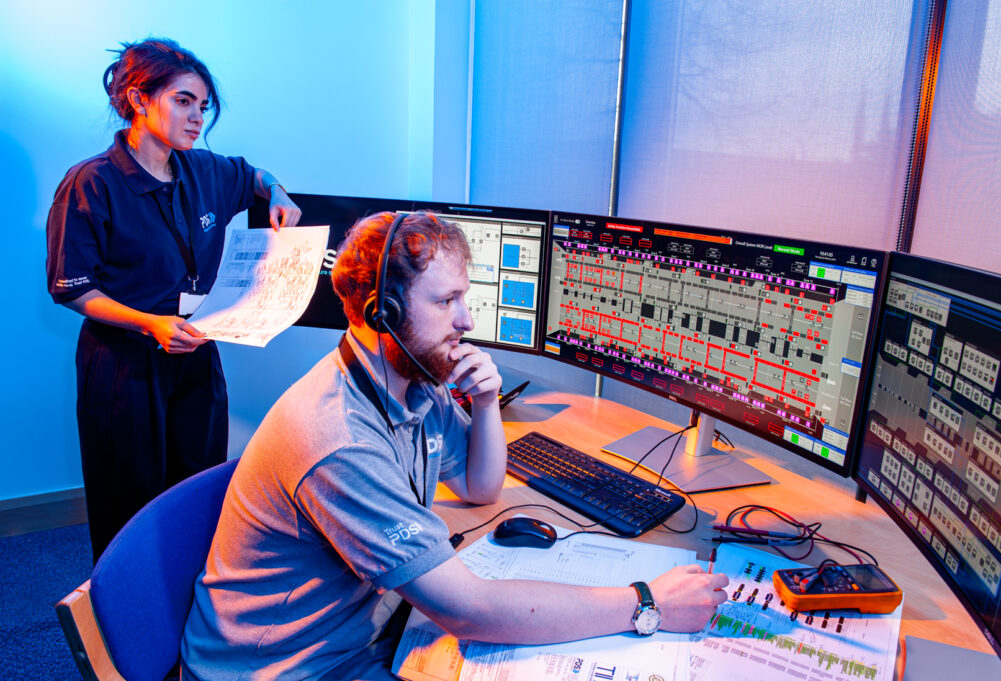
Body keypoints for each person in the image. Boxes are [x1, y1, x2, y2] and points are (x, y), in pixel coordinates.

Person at [180, 211, 728, 681]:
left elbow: (479, 487)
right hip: (293, 666)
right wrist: (645, 603)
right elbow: (470, 610)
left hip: (354, 626)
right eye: (447, 301)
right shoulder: (339, 440)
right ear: (383, 312)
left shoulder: (411, 381)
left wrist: (486, 401)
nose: (466, 322)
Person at [45, 38, 302, 563]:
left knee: (198, 489)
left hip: (197, 350)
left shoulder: (203, 169)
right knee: (129, 501)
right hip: (123, 363)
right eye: (184, 101)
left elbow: (255, 175)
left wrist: (276, 191)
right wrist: (147, 323)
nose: (196, 117)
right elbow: (72, 287)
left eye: (202, 106)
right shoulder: (91, 183)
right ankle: (122, 623)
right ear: (139, 99)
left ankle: (192, 613)